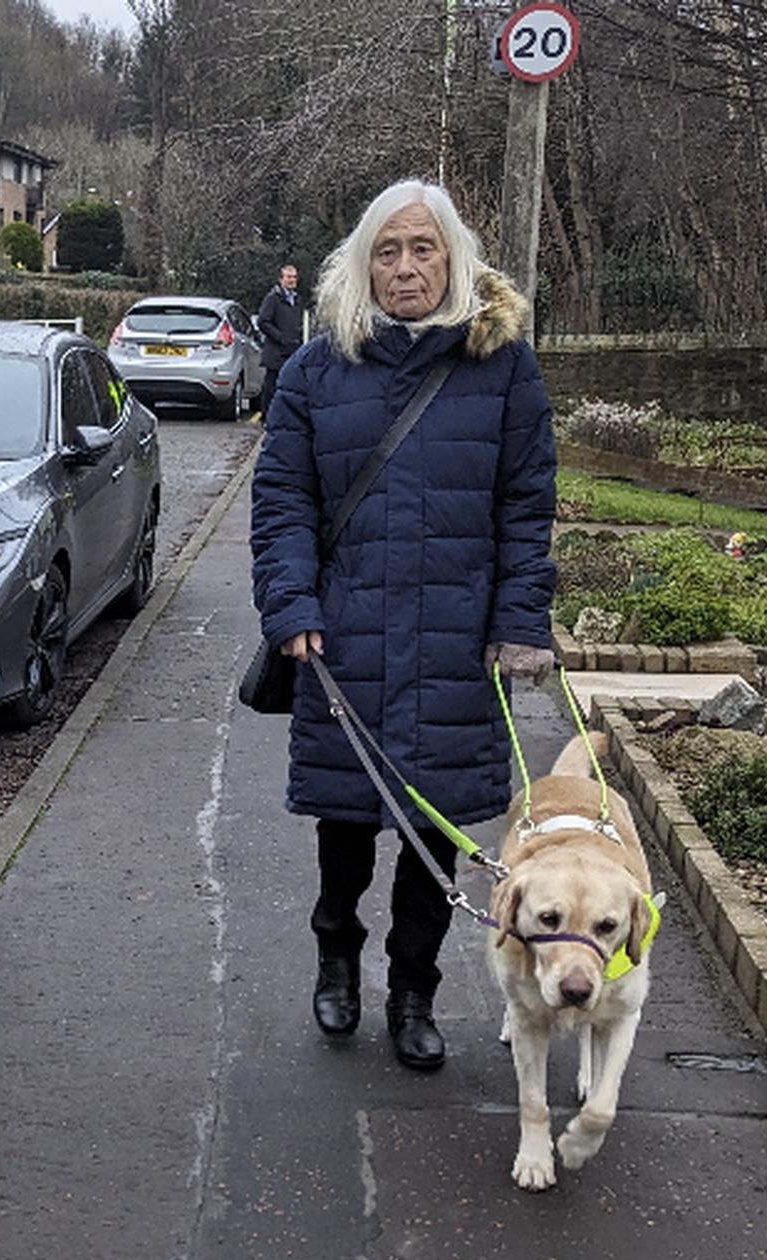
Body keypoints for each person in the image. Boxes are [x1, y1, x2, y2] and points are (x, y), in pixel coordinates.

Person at [248, 180, 559, 1071]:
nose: (405, 267)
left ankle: (413, 992)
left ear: (452, 257)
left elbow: (525, 504)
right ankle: (335, 957)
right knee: (343, 828)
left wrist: (518, 622)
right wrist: (291, 606)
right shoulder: (314, 372)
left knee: (437, 839)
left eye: (422, 248)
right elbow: (282, 503)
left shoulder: (502, 369)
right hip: (342, 640)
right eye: (387, 251)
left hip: (455, 647)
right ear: (362, 263)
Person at [253, 264, 306, 415]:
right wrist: (280, 337)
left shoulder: (297, 300)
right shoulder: (273, 299)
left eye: (294, 277)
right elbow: (263, 321)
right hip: (276, 353)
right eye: (288, 277)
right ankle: (267, 417)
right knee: (272, 386)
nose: (292, 280)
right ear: (281, 279)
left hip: (292, 351)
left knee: (290, 386)